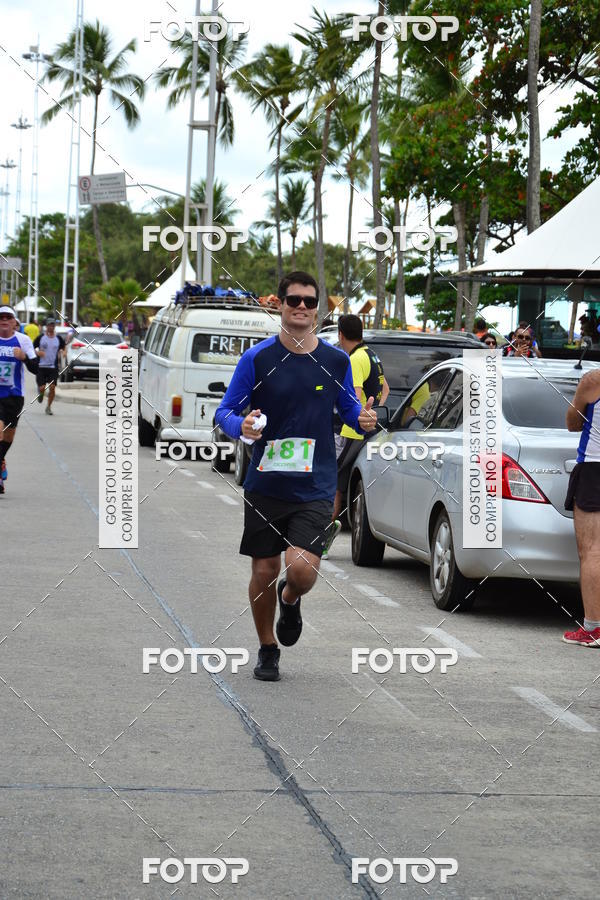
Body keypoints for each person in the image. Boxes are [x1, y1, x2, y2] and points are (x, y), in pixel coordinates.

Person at [215, 271, 377, 681]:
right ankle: (267, 648)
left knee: (301, 569)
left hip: (315, 484)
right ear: (280, 307)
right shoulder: (257, 359)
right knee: (264, 570)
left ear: (318, 309)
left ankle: (291, 599)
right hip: (266, 483)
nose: (301, 307)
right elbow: (225, 412)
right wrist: (242, 427)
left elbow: (349, 409)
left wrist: (365, 417)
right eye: (293, 300)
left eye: (308, 301)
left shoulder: (335, 361)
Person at [323, 313, 389, 559]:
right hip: (370, 430)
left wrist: (358, 415)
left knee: (333, 483)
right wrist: (374, 414)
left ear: (340, 335)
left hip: (352, 431)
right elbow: (385, 390)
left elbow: (355, 393)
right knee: (346, 481)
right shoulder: (372, 355)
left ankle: (323, 537)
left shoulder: (354, 359)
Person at [563, 369, 600, 646]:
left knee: (592, 551)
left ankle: (593, 628)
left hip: (594, 468)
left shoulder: (594, 380)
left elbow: (573, 423)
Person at [0, 307, 38, 494]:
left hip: (14, 395)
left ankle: (1, 461)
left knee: (9, 435)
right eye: (1, 317)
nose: (4, 320)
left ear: (15, 322)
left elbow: (36, 368)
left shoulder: (23, 341)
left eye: (8, 317)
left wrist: (23, 358)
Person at [33, 319, 65, 415]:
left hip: (53, 367)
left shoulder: (58, 338)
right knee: (42, 387)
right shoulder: (41, 337)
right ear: (46, 326)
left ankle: (49, 407)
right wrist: (37, 352)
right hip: (41, 367)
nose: (51, 327)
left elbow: (64, 347)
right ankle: (41, 393)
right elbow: (32, 347)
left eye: (52, 325)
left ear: (54, 327)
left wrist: (64, 352)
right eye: (49, 325)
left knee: (52, 387)